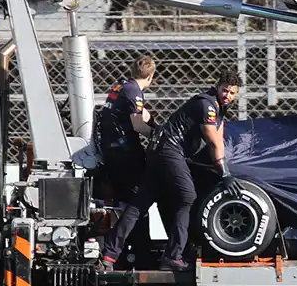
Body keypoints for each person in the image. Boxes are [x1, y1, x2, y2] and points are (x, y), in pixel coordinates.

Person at [99, 69, 243, 272]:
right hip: (169, 150)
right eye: (224, 90)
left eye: (231, 93)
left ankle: (108, 256)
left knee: (139, 205)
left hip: (159, 150)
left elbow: (219, 139)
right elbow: (213, 142)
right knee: (187, 196)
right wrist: (225, 174)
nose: (227, 95)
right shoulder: (207, 105)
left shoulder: (218, 106)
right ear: (217, 87)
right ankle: (174, 256)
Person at [96, 55, 159, 265]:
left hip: (112, 153)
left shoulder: (121, 86)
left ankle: (130, 252)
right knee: (139, 202)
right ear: (151, 76)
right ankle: (139, 252)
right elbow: (138, 125)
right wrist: (160, 137)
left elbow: (133, 113)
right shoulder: (134, 92)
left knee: (128, 204)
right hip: (125, 156)